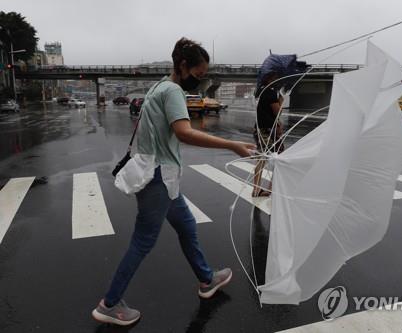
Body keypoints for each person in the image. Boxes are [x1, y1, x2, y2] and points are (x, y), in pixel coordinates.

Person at [92, 37, 255, 326]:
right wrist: (232, 145)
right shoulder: (173, 92)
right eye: (199, 74)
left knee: (187, 226)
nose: (201, 81)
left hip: (160, 176)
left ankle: (206, 279)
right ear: (183, 66)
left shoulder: (157, 87)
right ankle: (110, 303)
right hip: (158, 176)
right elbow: (184, 132)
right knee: (143, 241)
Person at [252, 72, 285, 197]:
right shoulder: (271, 93)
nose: (278, 79)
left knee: (261, 158)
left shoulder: (259, 91)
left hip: (259, 129)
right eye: (276, 77)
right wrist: (281, 100)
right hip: (269, 130)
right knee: (279, 157)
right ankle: (269, 189)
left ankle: (256, 189)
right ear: (270, 78)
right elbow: (277, 113)